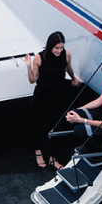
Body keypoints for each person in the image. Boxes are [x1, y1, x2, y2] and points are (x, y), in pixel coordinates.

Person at [27, 32, 82, 168]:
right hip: (42, 95)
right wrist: (28, 66)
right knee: (37, 123)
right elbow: (32, 80)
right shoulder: (39, 58)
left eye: (61, 47)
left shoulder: (66, 54)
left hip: (58, 95)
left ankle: (53, 158)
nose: (59, 51)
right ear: (50, 46)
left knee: (58, 125)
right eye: (56, 48)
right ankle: (38, 151)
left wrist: (74, 78)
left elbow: (68, 69)